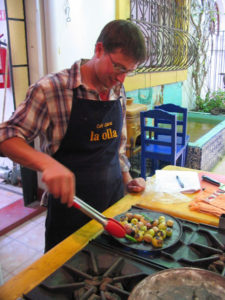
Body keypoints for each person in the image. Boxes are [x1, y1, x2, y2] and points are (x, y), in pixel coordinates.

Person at [0, 19, 146, 252]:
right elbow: (6, 136)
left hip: (113, 207)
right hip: (70, 217)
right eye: (119, 67)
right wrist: (47, 164)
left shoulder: (116, 87)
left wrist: (128, 180)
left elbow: (117, 146)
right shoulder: (52, 89)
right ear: (99, 50)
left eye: (129, 71)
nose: (122, 78)